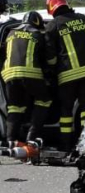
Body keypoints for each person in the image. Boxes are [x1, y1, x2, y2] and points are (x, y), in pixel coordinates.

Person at [44, 0, 85, 150]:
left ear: (51, 8)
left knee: (66, 111)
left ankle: (66, 145)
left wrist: (51, 70)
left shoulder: (53, 26)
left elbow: (50, 56)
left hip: (67, 75)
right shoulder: (83, 19)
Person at [1, 11, 54, 148]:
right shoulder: (38, 34)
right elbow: (50, 60)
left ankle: (11, 140)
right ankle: (32, 136)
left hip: (9, 74)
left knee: (15, 107)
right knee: (44, 100)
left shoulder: (10, 33)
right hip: (31, 73)